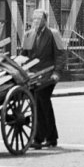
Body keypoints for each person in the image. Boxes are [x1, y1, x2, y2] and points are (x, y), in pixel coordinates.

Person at [23, 9, 63, 148]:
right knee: (36, 104)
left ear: (45, 20)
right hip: (32, 76)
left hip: (48, 74)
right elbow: (24, 56)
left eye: (39, 18)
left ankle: (46, 138)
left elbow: (60, 55)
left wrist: (57, 72)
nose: (36, 21)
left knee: (42, 100)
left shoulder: (53, 34)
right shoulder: (28, 35)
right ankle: (44, 137)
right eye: (34, 18)